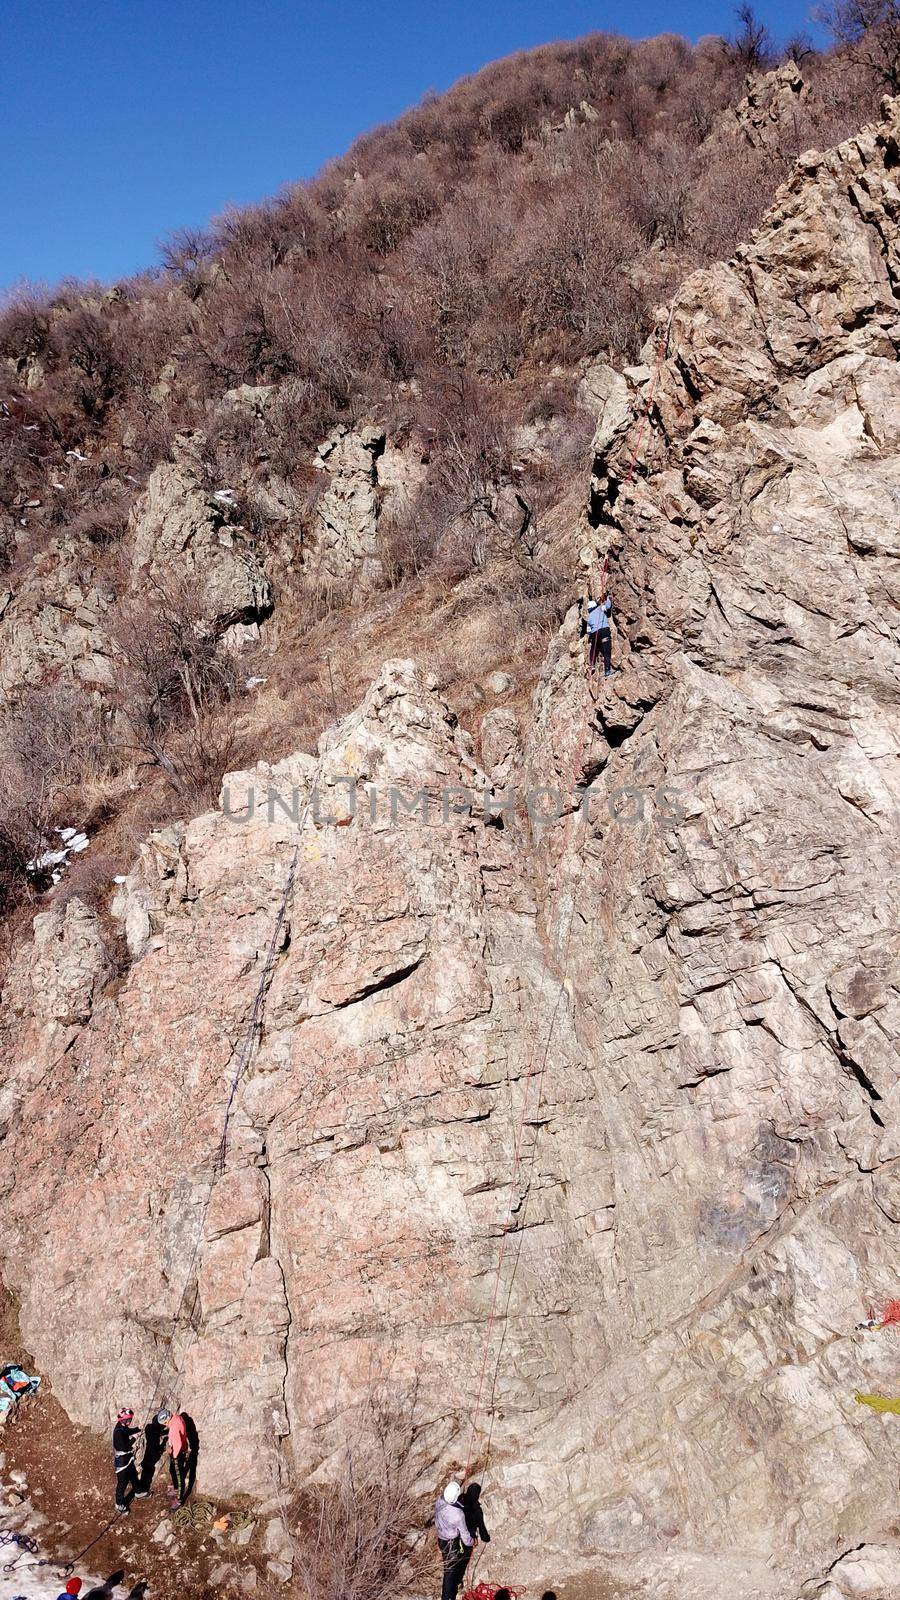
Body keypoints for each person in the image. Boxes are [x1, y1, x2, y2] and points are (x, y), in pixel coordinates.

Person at [434, 1479, 473, 1600]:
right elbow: (465, 1536)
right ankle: (448, 1596)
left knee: (449, 1567)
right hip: (451, 1544)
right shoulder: (458, 1514)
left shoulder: (439, 1501)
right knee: (450, 1572)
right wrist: (472, 1542)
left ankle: (452, 1587)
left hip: (441, 1538)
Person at [158, 1407, 191, 1505]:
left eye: (165, 1423)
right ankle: (175, 1488)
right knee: (172, 1470)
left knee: (179, 1475)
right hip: (179, 1451)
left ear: (167, 1420)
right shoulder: (177, 1418)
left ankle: (179, 1499)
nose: (165, 1426)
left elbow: (178, 1444)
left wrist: (174, 1455)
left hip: (178, 1454)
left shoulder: (173, 1428)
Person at [112, 1408, 140, 1513]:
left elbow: (128, 1431)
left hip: (127, 1459)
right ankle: (119, 1504)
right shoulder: (118, 1432)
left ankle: (138, 1491)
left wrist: (138, 1429)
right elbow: (123, 1447)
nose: (130, 1422)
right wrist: (133, 1439)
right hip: (122, 1461)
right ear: (123, 1420)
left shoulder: (122, 1427)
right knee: (122, 1483)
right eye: (128, 1420)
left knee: (133, 1475)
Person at [138, 1410, 168, 1494]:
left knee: (146, 1469)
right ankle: (144, 1489)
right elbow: (164, 1432)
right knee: (149, 1470)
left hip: (148, 1452)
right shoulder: (156, 1432)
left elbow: (158, 1431)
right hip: (153, 1453)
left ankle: (141, 1487)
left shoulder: (148, 1428)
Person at [586, 592, 613, 676]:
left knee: (593, 649)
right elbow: (608, 606)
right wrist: (608, 598)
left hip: (595, 634)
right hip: (604, 630)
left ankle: (592, 664)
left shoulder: (589, 617)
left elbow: (588, 630)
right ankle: (607, 670)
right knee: (606, 651)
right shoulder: (600, 608)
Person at [462, 1481, 490, 1545]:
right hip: (469, 1534)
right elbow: (481, 1526)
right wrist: (486, 1538)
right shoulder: (477, 1510)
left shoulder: (461, 1498)